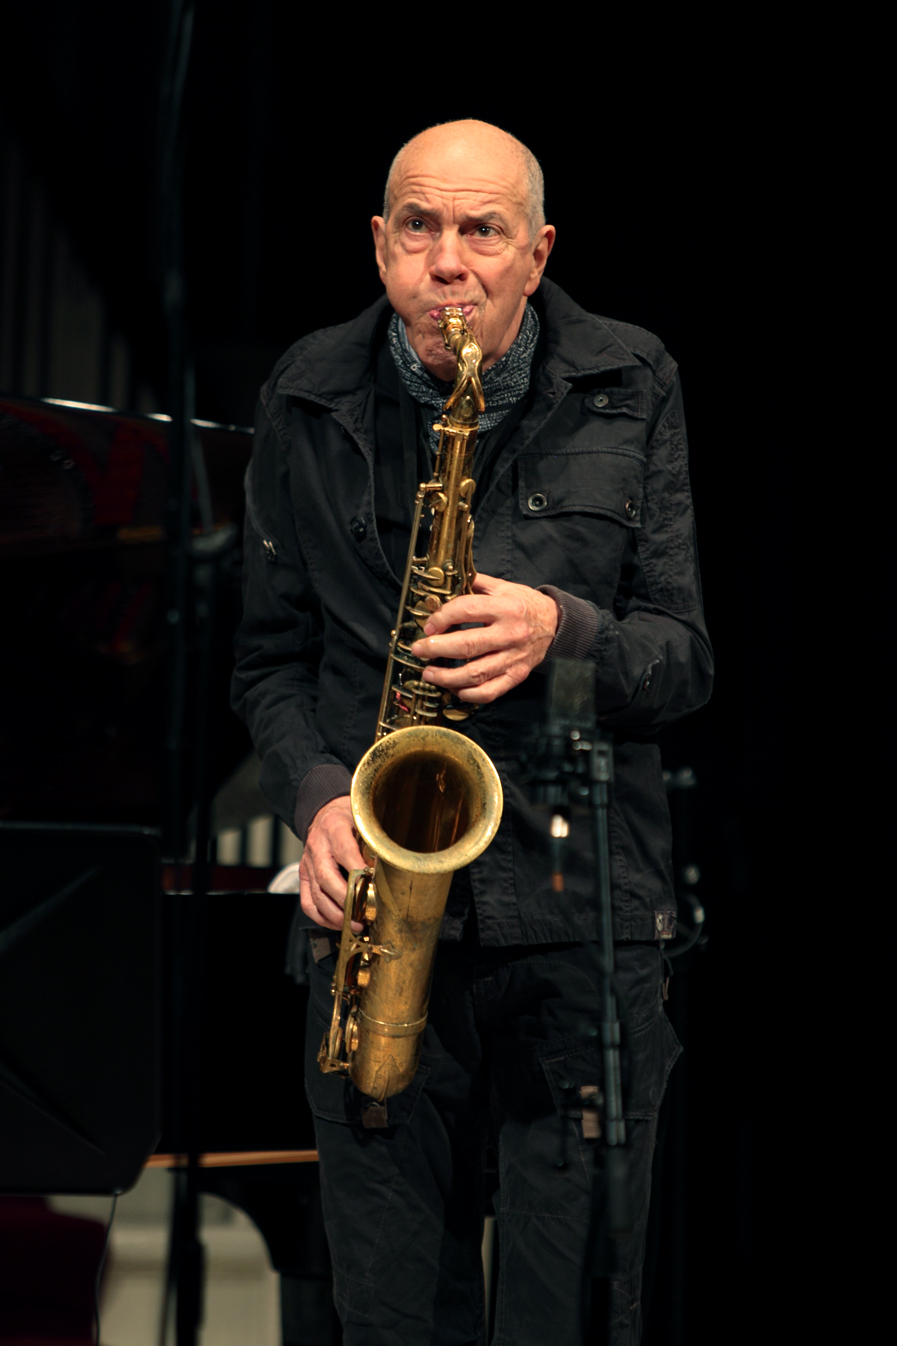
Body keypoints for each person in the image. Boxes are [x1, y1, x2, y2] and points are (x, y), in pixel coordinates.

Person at [232, 119, 712, 1346]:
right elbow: (267, 659)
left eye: (481, 230)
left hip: (580, 913)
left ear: (536, 251)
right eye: (419, 226)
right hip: (381, 920)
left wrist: (566, 631)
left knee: (576, 1318)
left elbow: (684, 656)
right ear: (379, 245)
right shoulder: (304, 390)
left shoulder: (631, 377)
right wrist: (321, 792)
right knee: (391, 1320)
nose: (448, 262)